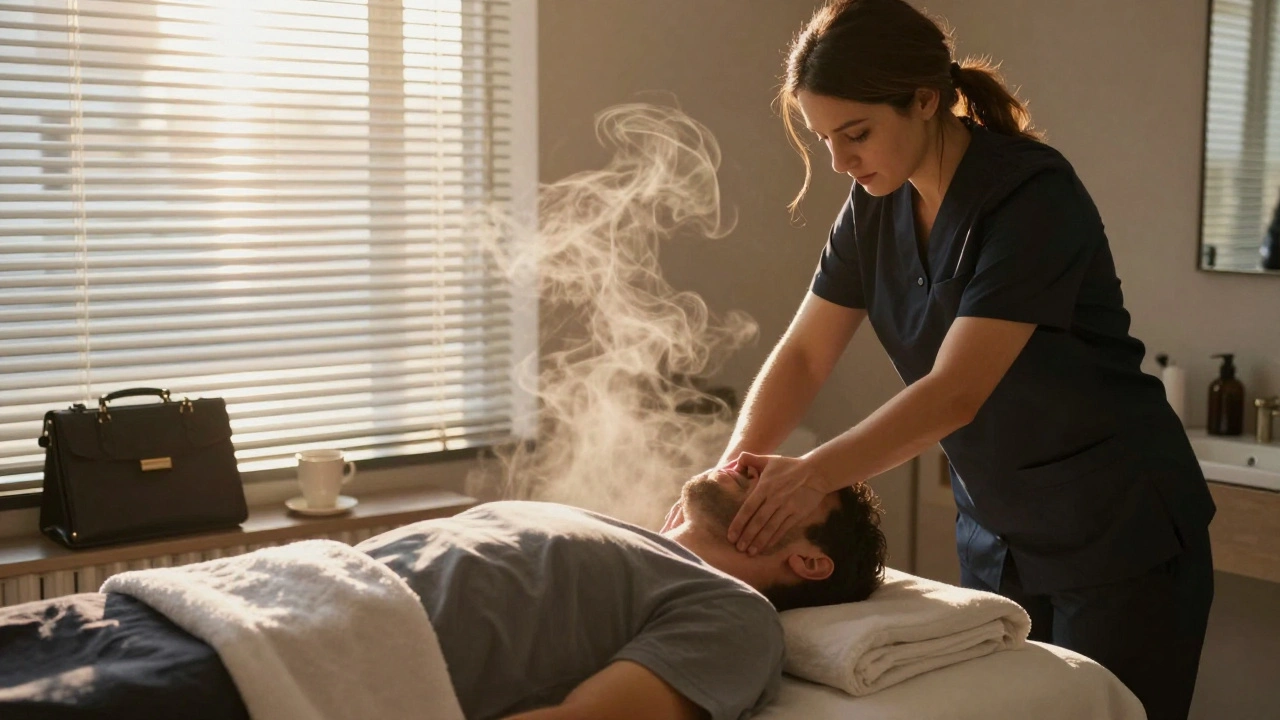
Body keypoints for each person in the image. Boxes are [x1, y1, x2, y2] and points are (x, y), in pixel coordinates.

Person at [696, 2, 1217, 719]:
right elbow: (806, 354)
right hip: (998, 531)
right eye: (823, 139)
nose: (841, 161)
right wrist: (736, 474)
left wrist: (811, 475)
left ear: (925, 99)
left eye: (857, 133)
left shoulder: (1031, 196)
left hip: (1116, 526)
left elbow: (956, 393)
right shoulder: (873, 206)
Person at [356, 463, 887, 720]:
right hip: (303, 585)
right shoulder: (633, 553)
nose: (753, 460)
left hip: (322, 662)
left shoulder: (736, 616)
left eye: (797, 486)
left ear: (811, 562)